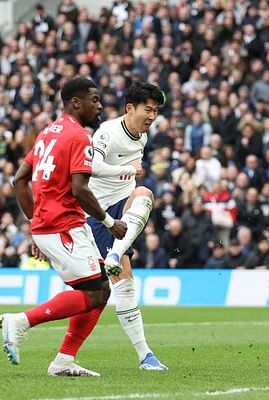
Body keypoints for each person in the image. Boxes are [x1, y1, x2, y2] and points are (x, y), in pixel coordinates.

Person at [0, 77, 127, 377]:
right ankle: (22, 321)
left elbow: (18, 180)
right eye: (94, 99)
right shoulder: (79, 136)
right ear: (75, 102)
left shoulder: (47, 133)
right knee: (95, 294)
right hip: (64, 224)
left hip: (51, 224)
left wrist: (36, 223)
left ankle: (64, 360)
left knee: (100, 290)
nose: (99, 105)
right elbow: (80, 189)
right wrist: (109, 222)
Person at [85, 80, 168, 370]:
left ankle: (113, 254)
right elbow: (91, 167)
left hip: (123, 205)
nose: (152, 116)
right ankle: (145, 355)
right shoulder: (108, 132)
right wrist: (126, 169)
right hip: (100, 213)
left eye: (156, 111)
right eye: (148, 109)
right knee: (119, 288)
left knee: (144, 194)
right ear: (129, 108)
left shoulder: (142, 137)